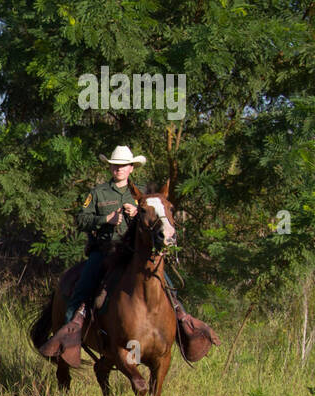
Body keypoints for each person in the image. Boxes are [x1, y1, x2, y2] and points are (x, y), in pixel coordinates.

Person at [38, 145, 218, 366]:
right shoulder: (98, 193)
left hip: (133, 255)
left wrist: (135, 215)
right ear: (111, 168)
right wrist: (106, 219)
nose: (118, 169)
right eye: (115, 166)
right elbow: (81, 220)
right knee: (81, 291)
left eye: (123, 166)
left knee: (168, 287)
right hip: (103, 252)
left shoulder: (142, 195)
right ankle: (68, 340)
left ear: (131, 168)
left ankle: (183, 323)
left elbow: (155, 222)